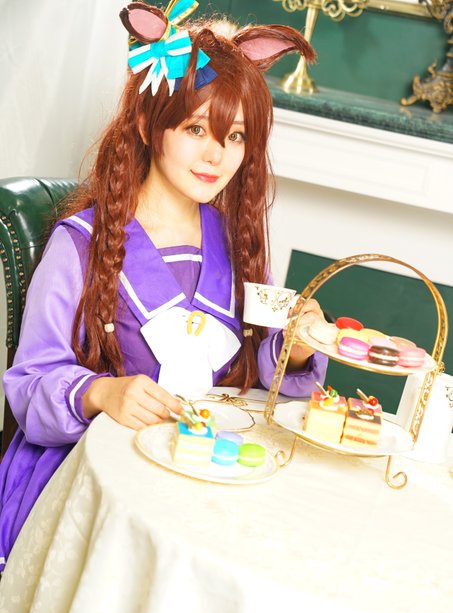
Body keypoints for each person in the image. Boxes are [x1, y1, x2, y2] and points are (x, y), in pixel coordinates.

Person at [0, 0, 327, 572]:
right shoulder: (81, 244)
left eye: (236, 136)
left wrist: (296, 348)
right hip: (89, 481)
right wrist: (101, 393)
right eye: (196, 129)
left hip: (200, 476)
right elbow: (30, 385)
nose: (216, 155)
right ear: (149, 126)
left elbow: (253, 376)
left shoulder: (237, 244)